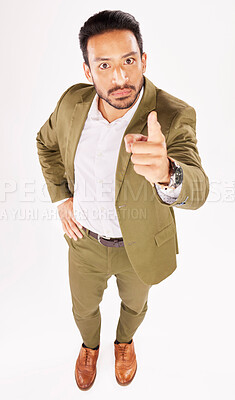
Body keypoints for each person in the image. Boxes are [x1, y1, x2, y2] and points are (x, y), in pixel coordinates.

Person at [36, 10, 209, 391]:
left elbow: (198, 188)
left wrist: (168, 172)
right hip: (84, 242)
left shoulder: (172, 115)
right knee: (83, 309)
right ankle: (90, 347)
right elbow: (45, 144)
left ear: (143, 60)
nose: (120, 77)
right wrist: (61, 198)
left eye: (129, 61)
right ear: (88, 71)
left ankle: (125, 343)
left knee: (134, 306)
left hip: (139, 246)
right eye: (105, 65)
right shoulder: (71, 104)